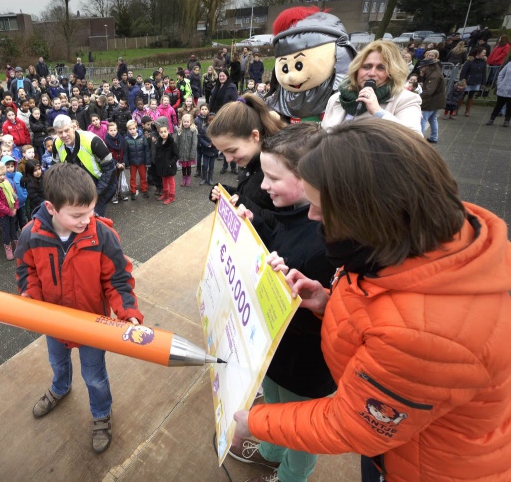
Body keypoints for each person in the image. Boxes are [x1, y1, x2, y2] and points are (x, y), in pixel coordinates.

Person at [232, 118, 511, 482]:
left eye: (322, 207)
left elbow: (354, 422)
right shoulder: (407, 241)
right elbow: (383, 313)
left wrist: (256, 420)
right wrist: (326, 304)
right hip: (401, 445)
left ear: (368, 211)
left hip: (425, 467)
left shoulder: (428, 336)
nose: (312, 216)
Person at [227, 123, 337, 482]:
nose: (262, 185)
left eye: (272, 177)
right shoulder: (300, 214)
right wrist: (252, 223)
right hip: (277, 348)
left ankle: (292, 475)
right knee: (274, 401)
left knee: (301, 427)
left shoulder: (329, 242)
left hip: (307, 364)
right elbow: (280, 234)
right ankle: (271, 449)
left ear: (309, 179)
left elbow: (338, 311)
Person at [15, 162, 143, 454]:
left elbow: (118, 279)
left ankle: (101, 414)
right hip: (53, 322)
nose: (87, 219)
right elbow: (26, 270)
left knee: (95, 375)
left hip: (91, 324)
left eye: (91, 211)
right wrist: (30, 297)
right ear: (51, 208)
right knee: (57, 362)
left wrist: (128, 313)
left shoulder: (102, 235)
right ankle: (60, 388)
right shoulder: (30, 235)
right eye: (77, 215)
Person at [321, 40, 423, 133]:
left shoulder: (406, 100)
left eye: (381, 68)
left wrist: (378, 112)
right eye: (366, 67)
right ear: (356, 69)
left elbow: (415, 140)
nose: (372, 73)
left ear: (392, 73)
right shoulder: (337, 98)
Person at [207, 96, 283, 219]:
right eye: (222, 152)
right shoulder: (252, 162)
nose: (228, 159)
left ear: (254, 136)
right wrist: (226, 193)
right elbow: (252, 195)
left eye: (232, 150)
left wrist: (243, 203)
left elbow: (282, 223)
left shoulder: (277, 170)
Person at [51, 115, 117, 217]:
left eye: (66, 130)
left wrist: (97, 194)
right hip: (75, 189)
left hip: (98, 185)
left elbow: (110, 170)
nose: (64, 135)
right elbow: (56, 170)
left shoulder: (92, 141)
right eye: (60, 132)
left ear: (73, 127)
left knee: (93, 220)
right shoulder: (56, 144)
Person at [417, 58, 446, 143]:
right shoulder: (436, 73)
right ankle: (434, 137)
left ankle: (419, 140)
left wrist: (417, 96)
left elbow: (429, 91)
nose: (421, 69)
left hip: (431, 102)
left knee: (423, 120)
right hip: (437, 101)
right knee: (432, 119)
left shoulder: (433, 76)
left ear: (427, 66)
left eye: (422, 67)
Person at [152, 122, 179, 205]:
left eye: (165, 132)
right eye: (161, 132)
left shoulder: (172, 143)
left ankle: (171, 196)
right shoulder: (159, 142)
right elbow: (157, 153)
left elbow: (176, 155)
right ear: (159, 133)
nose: (163, 134)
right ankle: (165, 193)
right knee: (164, 180)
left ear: (168, 131)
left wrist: (170, 163)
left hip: (169, 166)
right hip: (161, 165)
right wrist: (157, 161)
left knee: (171, 181)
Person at [459, 47, 487, 116]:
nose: (484, 54)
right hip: (467, 81)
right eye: (483, 53)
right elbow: (463, 72)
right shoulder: (469, 62)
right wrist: (462, 81)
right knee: (462, 95)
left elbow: (484, 73)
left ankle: (467, 111)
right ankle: (456, 109)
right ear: (478, 53)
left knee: (471, 96)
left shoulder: (483, 62)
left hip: (476, 81)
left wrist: (483, 83)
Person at [485, 61, 511, 127]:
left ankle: (507, 120)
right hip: (503, 88)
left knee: (509, 106)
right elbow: (501, 74)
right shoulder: (509, 64)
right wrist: (499, 84)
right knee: (498, 105)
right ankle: (491, 119)